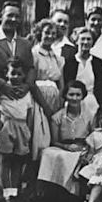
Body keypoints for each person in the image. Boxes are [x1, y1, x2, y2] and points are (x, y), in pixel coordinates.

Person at [0, 2, 36, 200]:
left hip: (20, 97)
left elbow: (30, 68)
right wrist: (4, 85)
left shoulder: (24, 43)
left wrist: (26, 86)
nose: (13, 20)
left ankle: (11, 189)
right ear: (0, 16)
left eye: (17, 16)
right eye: (9, 15)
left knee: (15, 150)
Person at [36, 81, 95, 198]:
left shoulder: (89, 116)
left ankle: (76, 195)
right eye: (71, 95)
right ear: (65, 96)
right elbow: (54, 141)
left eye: (78, 95)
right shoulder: (58, 117)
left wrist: (85, 148)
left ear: (83, 96)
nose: (74, 98)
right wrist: (67, 147)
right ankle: (53, 193)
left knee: (81, 157)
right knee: (49, 153)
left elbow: (93, 137)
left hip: (82, 147)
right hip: (63, 147)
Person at [0, 58, 33, 202]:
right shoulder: (2, 90)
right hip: (7, 125)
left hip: (21, 127)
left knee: (17, 160)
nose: (16, 77)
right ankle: (6, 192)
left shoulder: (26, 92)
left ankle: (14, 191)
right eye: (13, 73)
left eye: (19, 74)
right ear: (7, 74)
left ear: (24, 75)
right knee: (5, 160)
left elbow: (28, 111)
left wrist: (27, 130)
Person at [31, 19, 66, 159]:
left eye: (53, 33)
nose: (50, 36)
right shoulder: (34, 53)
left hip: (55, 100)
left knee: (53, 137)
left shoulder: (57, 57)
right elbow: (31, 82)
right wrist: (45, 106)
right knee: (39, 138)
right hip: (39, 100)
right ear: (40, 33)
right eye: (47, 33)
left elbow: (61, 82)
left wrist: (61, 102)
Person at [63, 27, 102, 115]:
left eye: (89, 39)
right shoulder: (69, 62)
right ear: (76, 41)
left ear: (93, 43)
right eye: (83, 39)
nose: (86, 42)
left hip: (93, 102)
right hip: (73, 101)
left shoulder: (98, 63)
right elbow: (66, 83)